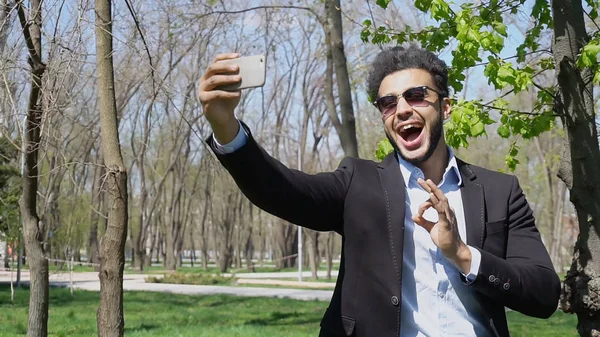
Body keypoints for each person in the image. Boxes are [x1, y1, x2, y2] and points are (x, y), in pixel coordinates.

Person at [197, 45, 561, 337]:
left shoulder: (500, 191)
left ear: (446, 107)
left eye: (416, 95)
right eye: (389, 103)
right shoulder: (358, 181)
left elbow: (544, 294)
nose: (402, 109)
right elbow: (283, 191)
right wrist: (227, 128)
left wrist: (463, 255)